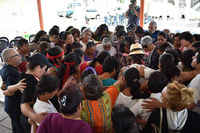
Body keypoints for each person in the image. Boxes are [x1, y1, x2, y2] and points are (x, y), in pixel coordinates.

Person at [20, 53, 52, 133]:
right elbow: (24, 104)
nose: (45, 72)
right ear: (38, 68)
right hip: (30, 120)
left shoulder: (24, 75)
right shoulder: (30, 82)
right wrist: (35, 117)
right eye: (44, 69)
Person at [0, 48, 26, 133]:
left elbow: (5, 84)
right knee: (19, 128)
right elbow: (10, 91)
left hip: (11, 105)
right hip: (14, 106)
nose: (19, 56)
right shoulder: (12, 72)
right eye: (16, 55)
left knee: (16, 125)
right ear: (9, 59)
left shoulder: (5, 67)